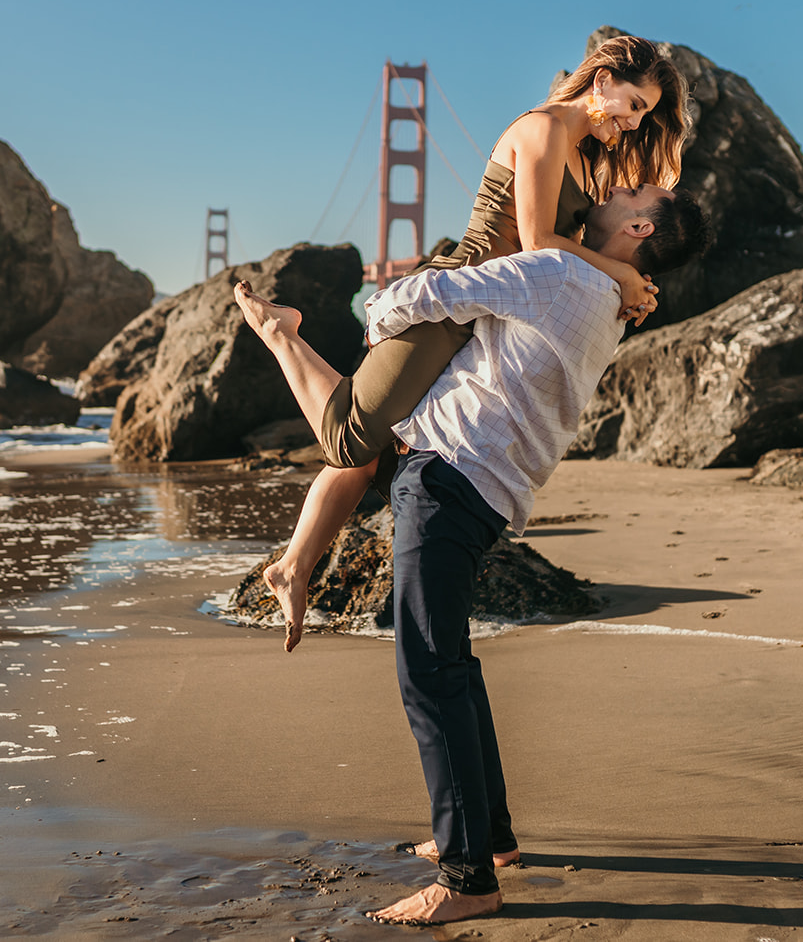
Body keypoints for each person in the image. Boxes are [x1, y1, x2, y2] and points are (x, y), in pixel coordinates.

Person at [234, 183, 713, 925]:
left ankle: (467, 877)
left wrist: (381, 314)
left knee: (427, 668)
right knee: (449, 658)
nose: (614, 187)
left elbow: (408, 299)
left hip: (449, 475)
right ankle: (490, 838)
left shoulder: (558, 275)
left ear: (640, 224)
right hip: (491, 487)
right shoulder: (609, 299)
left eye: (630, 193)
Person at [261, 35, 689, 651]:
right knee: (351, 437)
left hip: (490, 314)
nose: (633, 120)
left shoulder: (587, 155)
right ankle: (280, 335)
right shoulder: (543, 129)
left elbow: (573, 260)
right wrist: (620, 274)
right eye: (632, 102)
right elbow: (541, 242)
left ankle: (293, 566)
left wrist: (634, 284)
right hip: (454, 304)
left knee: (382, 448)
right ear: (600, 82)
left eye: (645, 113)